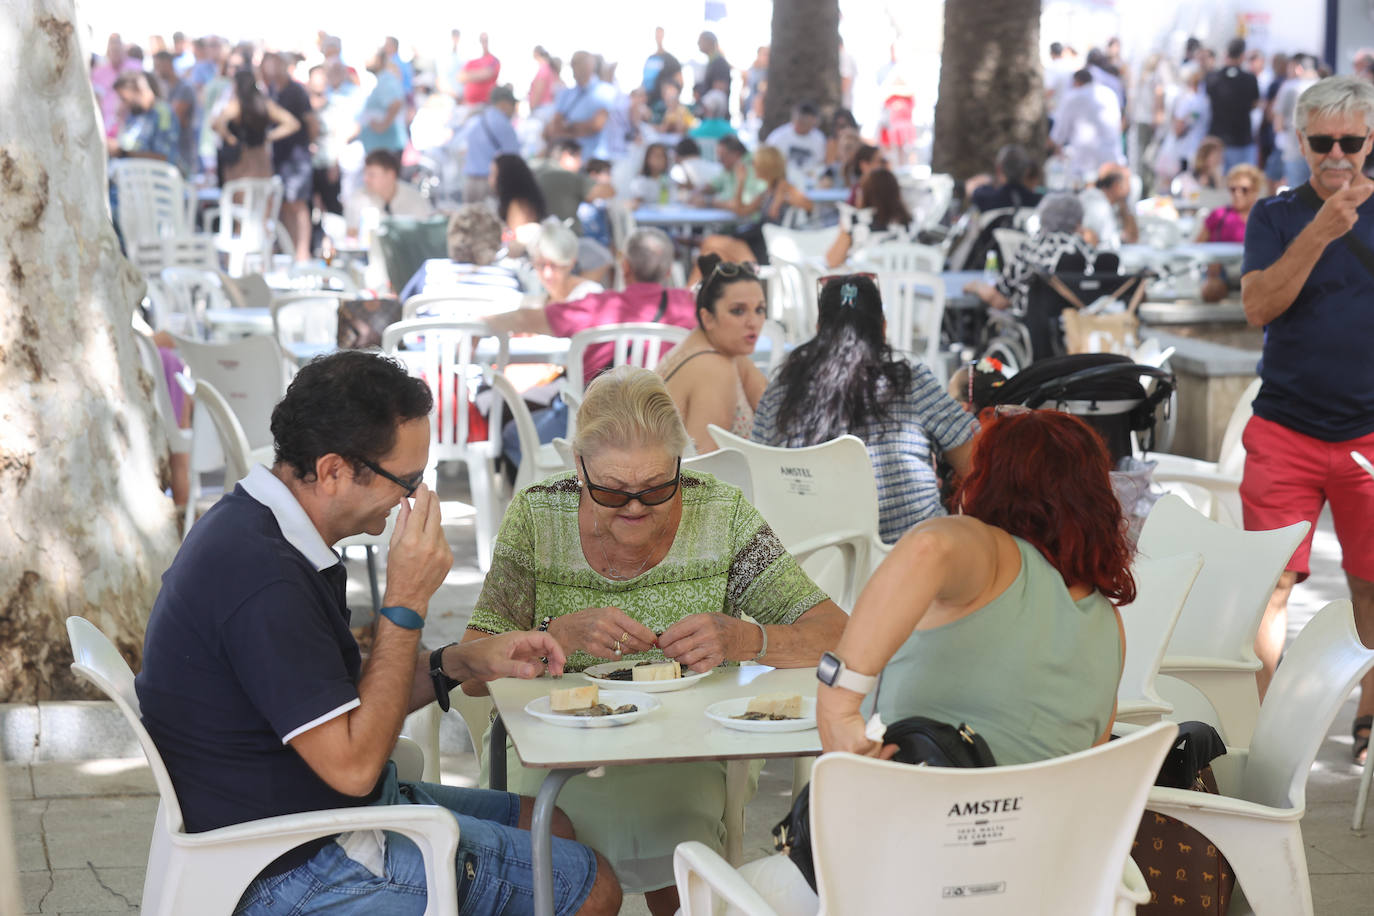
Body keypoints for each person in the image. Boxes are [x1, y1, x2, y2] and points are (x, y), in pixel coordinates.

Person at [135, 350, 622, 916]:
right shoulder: (263, 577)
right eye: (407, 481)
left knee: (552, 824)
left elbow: (352, 706)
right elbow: (354, 768)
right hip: (285, 862)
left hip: (307, 814)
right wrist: (406, 603)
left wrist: (462, 663)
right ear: (334, 470)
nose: (414, 500)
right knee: (592, 888)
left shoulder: (265, 529)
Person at [461, 365, 845, 915]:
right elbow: (471, 675)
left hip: (689, 747)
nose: (636, 507)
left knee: (679, 834)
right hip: (556, 748)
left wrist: (743, 637)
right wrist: (551, 634)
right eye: (611, 492)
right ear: (578, 466)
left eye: (658, 487)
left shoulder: (720, 514)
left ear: (681, 464)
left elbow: (837, 633)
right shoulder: (538, 516)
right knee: (553, 849)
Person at [1238, 76, 1374, 762]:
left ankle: (1369, 721)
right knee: (1272, 585)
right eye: (1324, 141)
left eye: (1352, 140)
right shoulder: (1275, 216)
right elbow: (1259, 306)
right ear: (1301, 143)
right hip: (1285, 429)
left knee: (1371, 580)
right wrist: (1319, 233)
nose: (1338, 154)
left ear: (1371, 141)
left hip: (1368, 436)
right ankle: (1270, 733)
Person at [753, 274, 976, 543]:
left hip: (812, 564)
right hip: (912, 560)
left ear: (819, 328)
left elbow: (758, 474)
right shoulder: (910, 382)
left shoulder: (780, 389)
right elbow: (977, 462)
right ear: (883, 329)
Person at [482, 227, 697, 388]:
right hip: (665, 422)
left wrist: (482, 325)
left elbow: (525, 320)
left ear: (625, 267)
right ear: (669, 271)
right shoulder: (692, 307)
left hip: (597, 427)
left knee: (512, 433)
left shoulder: (600, 306)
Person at [657, 255, 768, 452]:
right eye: (738, 311)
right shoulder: (714, 369)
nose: (753, 322)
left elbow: (772, 414)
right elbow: (702, 474)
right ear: (707, 318)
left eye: (760, 309)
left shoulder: (720, 348)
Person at [965, 193, 1094, 313]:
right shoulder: (1084, 249)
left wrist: (975, 287)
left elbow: (1000, 300)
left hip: (1036, 325)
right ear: (1078, 221)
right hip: (1080, 326)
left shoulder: (1031, 247)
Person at [262, 52, 318, 262]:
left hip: (297, 156)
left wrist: (309, 143)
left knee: (298, 204)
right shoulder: (273, 91)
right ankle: (291, 251)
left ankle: (302, 252)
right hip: (281, 157)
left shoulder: (296, 91)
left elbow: (310, 122)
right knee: (284, 204)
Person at [213, 68, 302, 183]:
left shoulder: (236, 106)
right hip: (261, 158)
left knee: (241, 197)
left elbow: (216, 124)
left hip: (241, 161)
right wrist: (268, 137)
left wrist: (230, 139)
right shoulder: (265, 104)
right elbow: (292, 123)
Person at [824, 168, 915, 267]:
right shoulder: (908, 223)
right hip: (902, 280)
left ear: (866, 193)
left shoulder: (855, 221)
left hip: (865, 280)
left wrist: (843, 230)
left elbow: (832, 261)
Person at [1050, 68, 1125, 181]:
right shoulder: (1109, 94)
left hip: (1084, 167)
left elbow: (1059, 135)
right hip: (1112, 160)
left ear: (1077, 82)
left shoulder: (1073, 97)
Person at [547, 51, 618, 160]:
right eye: (573, 63)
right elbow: (556, 124)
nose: (574, 67)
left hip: (593, 159)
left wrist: (568, 128)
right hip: (567, 158)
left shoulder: (606, 91)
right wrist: (574, 129)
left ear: (590, 65)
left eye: (577, 63)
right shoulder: (565, 93)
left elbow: (596, 125)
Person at [1207, 38, 1261, 171]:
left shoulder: (1212, 77)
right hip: (1240, 140)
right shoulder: (1249, 78)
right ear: (1242, 56)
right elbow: (1255, 104)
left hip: (1218, 139)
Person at [462, 84, 521, 205]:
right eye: (512, 105)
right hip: (490, 184)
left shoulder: (475, 118)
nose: (514, 109)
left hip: (469, 182)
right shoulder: (503, 124)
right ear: (503, 104)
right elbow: (513, 159)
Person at [109, 71, 181, 167]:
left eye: (124, 99)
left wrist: (122, 153)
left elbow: (163, 157)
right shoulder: (133, 115)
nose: (123, 104)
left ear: (139, 90)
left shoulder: (163, 114)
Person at [532, 217, 605, 304]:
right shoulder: (535, 303)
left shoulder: (590, 294)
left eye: (554, 265)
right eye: (541, 265)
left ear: (570, 263)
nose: (547, 274)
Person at [151, 50, 199, 178]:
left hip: (182, 153)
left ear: (168, 64)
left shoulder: (185, 88)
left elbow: (174, 117)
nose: (156, 70)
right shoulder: (162, 88)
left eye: (158, 66)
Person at [492, 152, 550, 254]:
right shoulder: (521, 201)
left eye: (493, 174)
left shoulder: (518, 205)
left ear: (505, 177)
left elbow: (513, 239)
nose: (490, 179)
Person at [355, 47, 408, 154]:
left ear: (378, 59)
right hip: (380, 147)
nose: (365, 61)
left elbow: (395, 103)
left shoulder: (386, 80)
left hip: (387, 147)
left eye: (369, 57)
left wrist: (383, 125)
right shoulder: (381, 80)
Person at [1196, 162, 1264, 242]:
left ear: (1255, 191)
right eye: (1233, 189)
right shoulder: (1218, 215)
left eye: (1244, 189)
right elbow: (1196, 247)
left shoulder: (1264, 220)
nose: (1237, 194)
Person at [1079, 162, 1139, 248]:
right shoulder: (1096, 204)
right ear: (1116, 186)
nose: (1131, 187)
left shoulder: (1114, 204)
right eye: (1128, 182)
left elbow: (1132, 238)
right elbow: (1089, 238)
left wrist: (1125, 208)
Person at [970, 144, 1042, 212]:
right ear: (1026, 170)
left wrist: (988, 179)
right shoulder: (1039, 202)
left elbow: (970, 187)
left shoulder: (986, 198)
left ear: (999, 169)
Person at [764, 102, 827, 175]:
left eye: (812, 124)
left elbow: (820, 163)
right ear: (795, 120)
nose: (809, 127)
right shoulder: (777, 138)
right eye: (804, 123)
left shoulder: (818, 138)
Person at [642, 26, 682, 107]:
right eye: (657, 35)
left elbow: (679, 81)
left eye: (660, 35)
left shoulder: (671, 60)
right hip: (649, 101)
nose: (658, 37)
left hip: (665, 103)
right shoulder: (650, 59)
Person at [695, 31, 732, 113]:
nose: (698, 44)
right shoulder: (710, 62)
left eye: (701, 41)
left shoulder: (719, 63)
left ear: (709, 42)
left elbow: (719, 92)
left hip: (716, 117)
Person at [460, 32, 501, 106]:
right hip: (469, 105)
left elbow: (487, 74)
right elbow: (461, 77)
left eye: (486, 40)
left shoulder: (494, 60)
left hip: (486, 105)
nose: (483, 43)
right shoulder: (471, 61)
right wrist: (479, 74)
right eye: (481, 40)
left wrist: (470, 75)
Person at [529, 45, 562, 113]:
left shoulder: (544, 69)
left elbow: (539, 90)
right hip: (547, 108)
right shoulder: (550, 69)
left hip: (542, 109)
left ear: (536, 54)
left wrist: (533, 107)